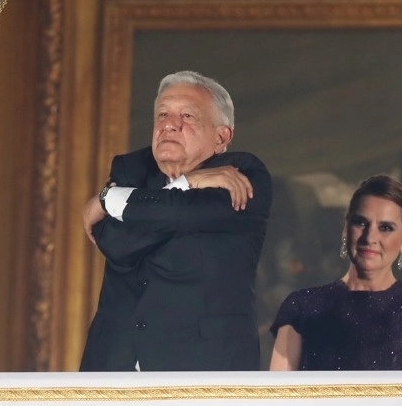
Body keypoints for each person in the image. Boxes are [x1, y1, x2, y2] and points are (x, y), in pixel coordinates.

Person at [80, 71, 272, 371]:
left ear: (221, 137)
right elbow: (118, 243)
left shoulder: (240, 174)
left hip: (204, 367)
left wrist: (107, 199)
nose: (169, 124)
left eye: (187, 115)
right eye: (162, 114)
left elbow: (180, 214)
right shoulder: (132, 169)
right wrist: (189, 181)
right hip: (114, 364)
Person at [269, 175, 402, 371]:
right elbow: (276, 401)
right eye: (361, 223)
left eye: (386, 228)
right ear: (345, 229)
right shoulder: (302, 307)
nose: (370, 237)